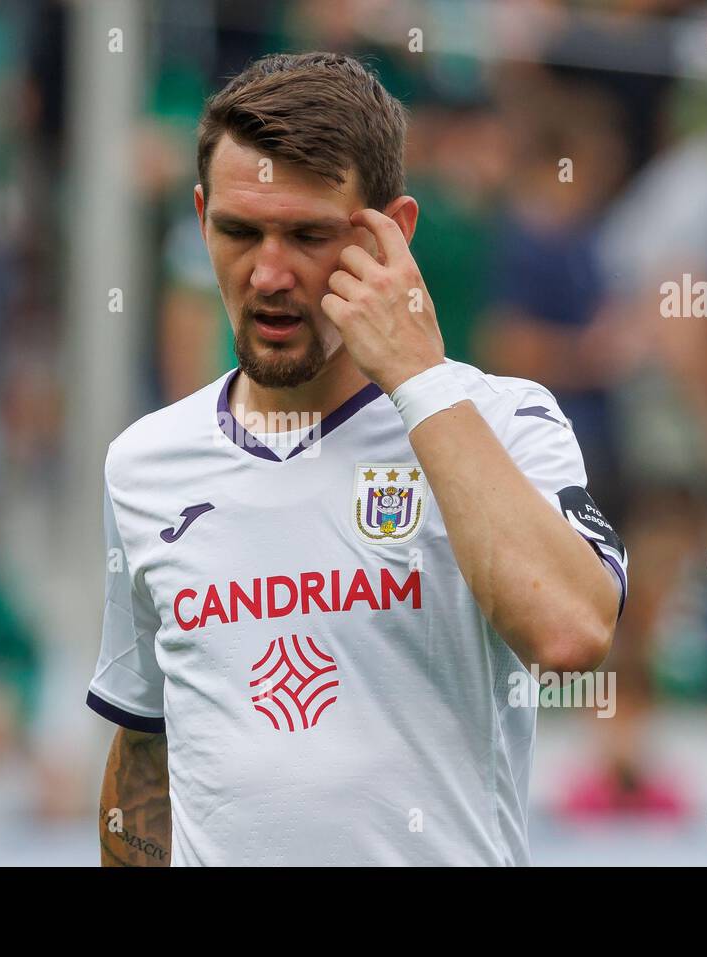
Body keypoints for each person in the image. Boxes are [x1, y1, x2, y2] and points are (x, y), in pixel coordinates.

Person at [85, 52, 627, 866]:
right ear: (201, 220)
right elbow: (145, 759)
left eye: (308, 234)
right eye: (238, 231)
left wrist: (416, 378)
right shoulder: (145, 464)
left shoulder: (505, 422)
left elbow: (570, 634)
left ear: (392, 232)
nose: (268, 273)